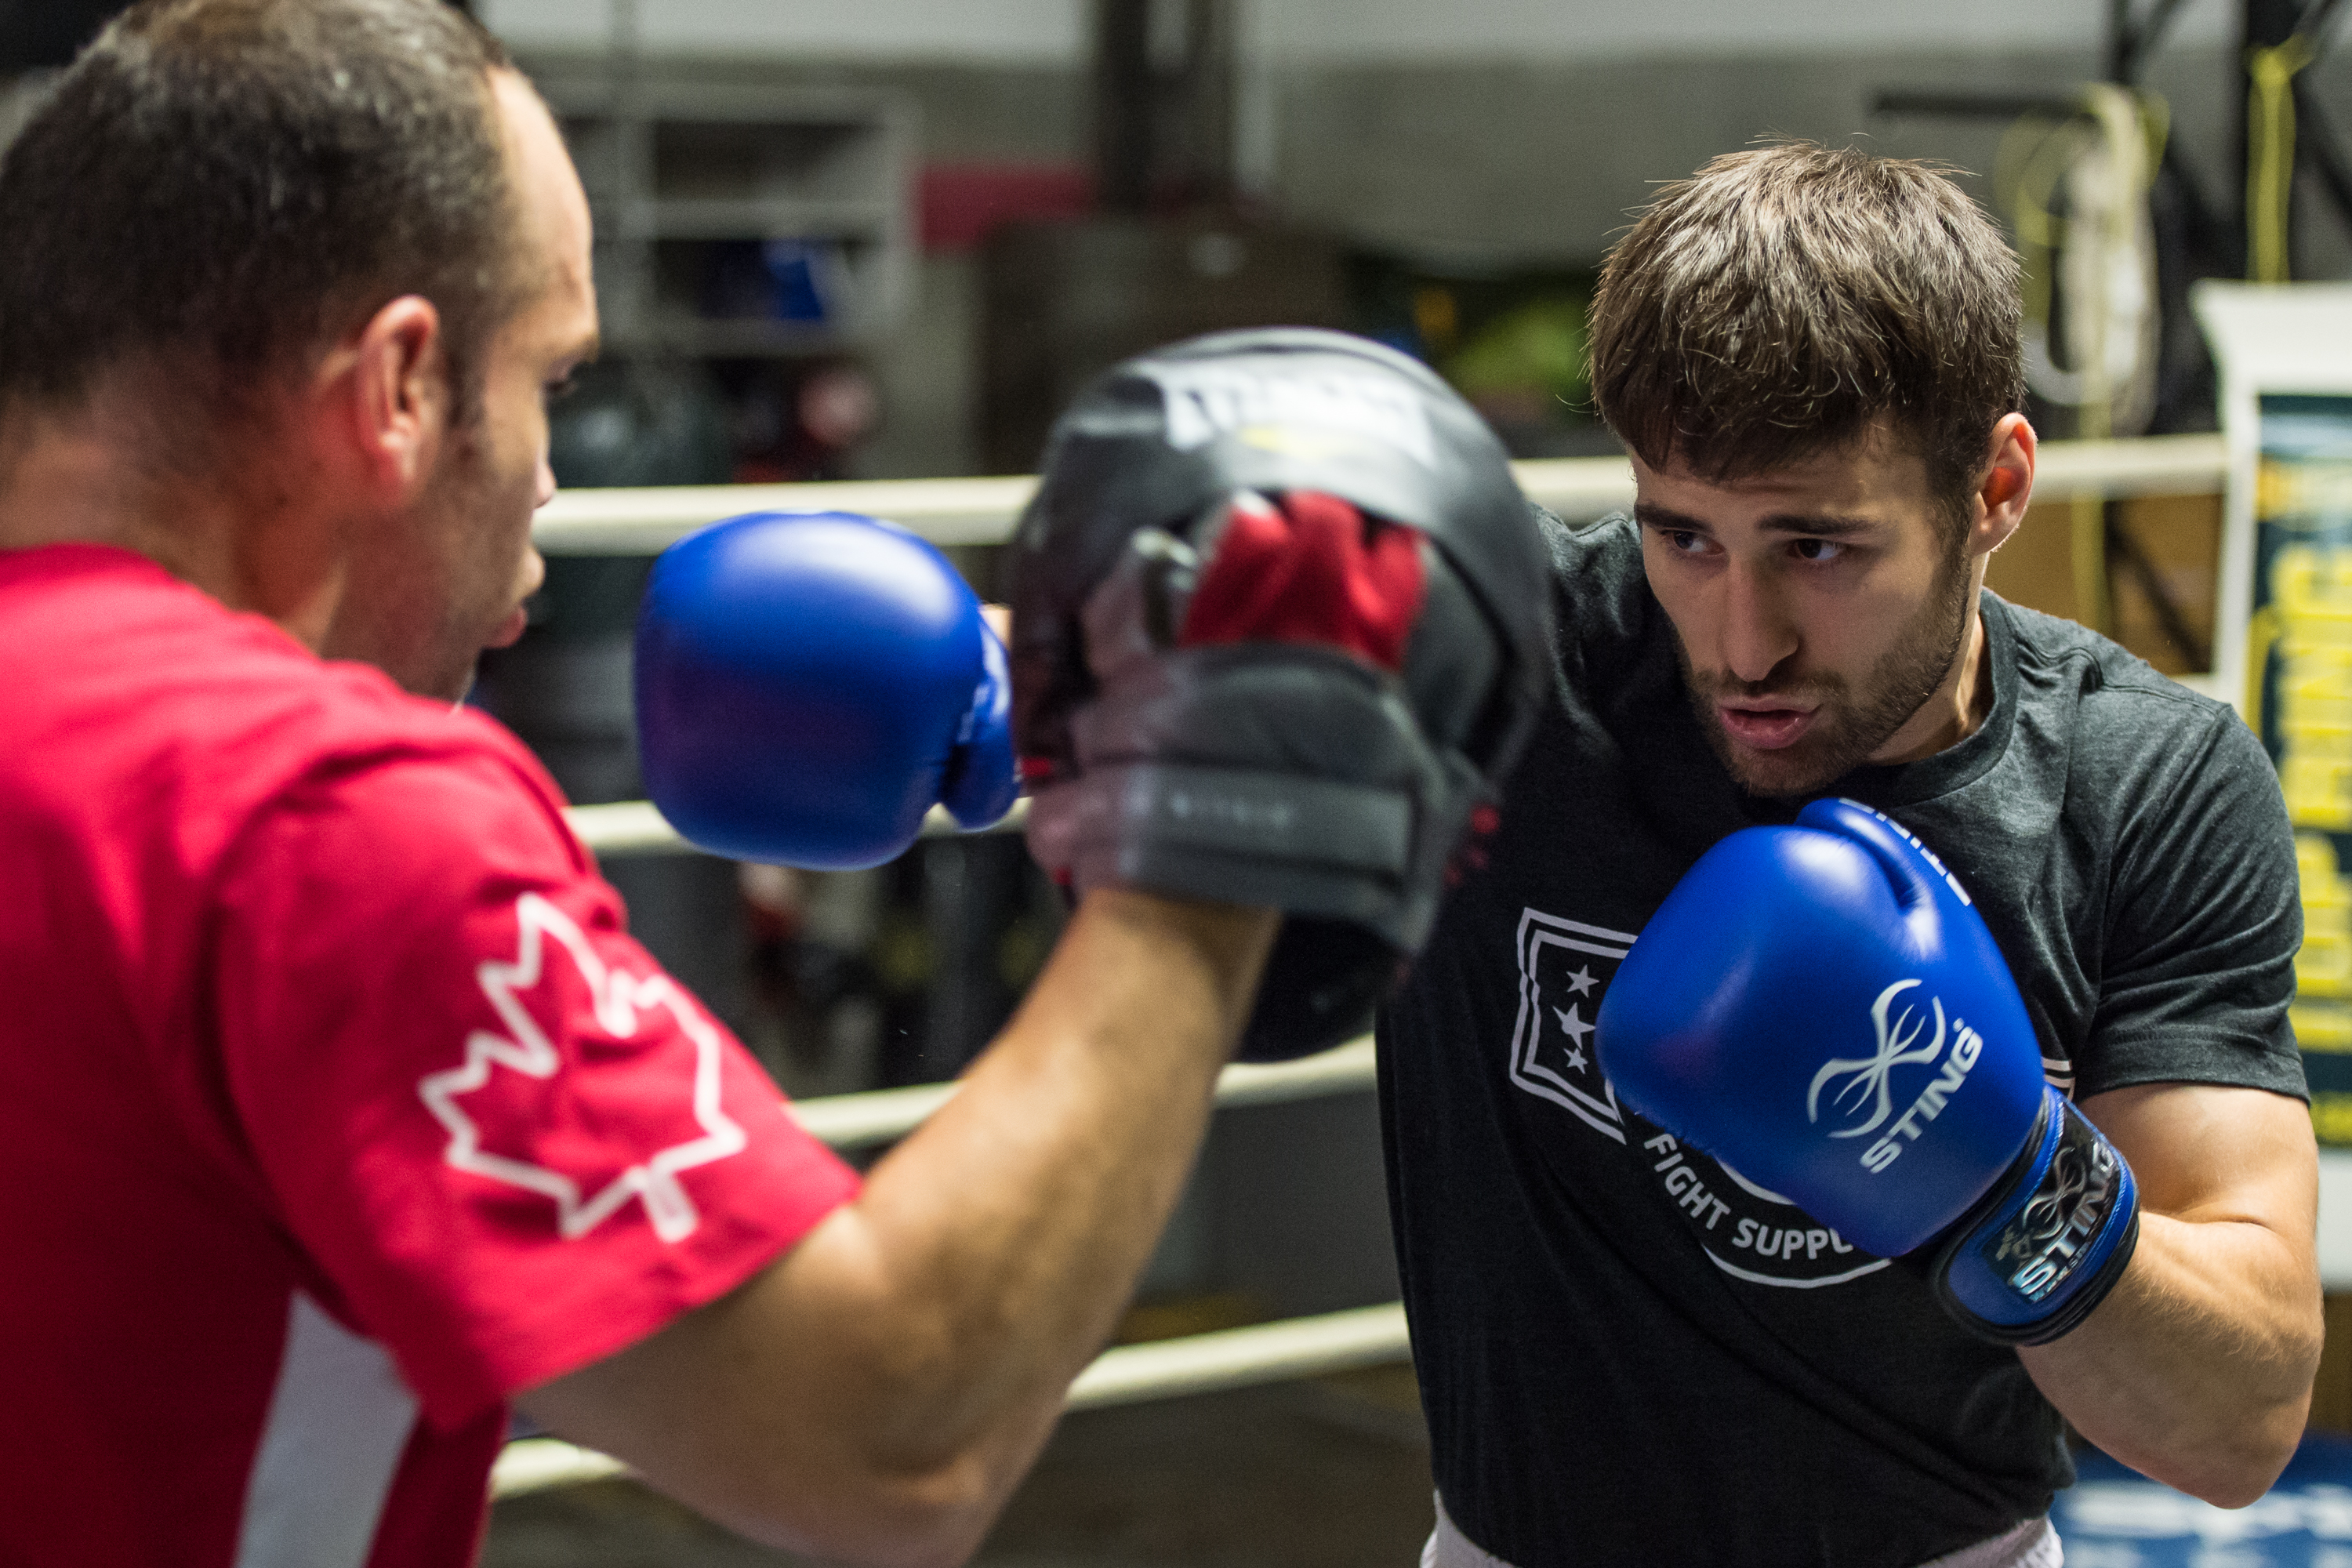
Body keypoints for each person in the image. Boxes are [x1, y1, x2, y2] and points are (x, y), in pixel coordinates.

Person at [0, 5, 1542, 1564]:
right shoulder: (312, 821)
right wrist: (1224, 821)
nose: (550, 476)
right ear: (399, 385)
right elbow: (882, 1435)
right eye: (547, 379)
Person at [1379, 143, 2322, 1568]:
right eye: (1683, 537)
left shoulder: (2146, 788)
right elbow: (1113, 681)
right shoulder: (1513, 665)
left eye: (1817, 549)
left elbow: (2242, 1420)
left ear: (1996, 489)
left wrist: (1999, 1181)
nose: (1741, 640)